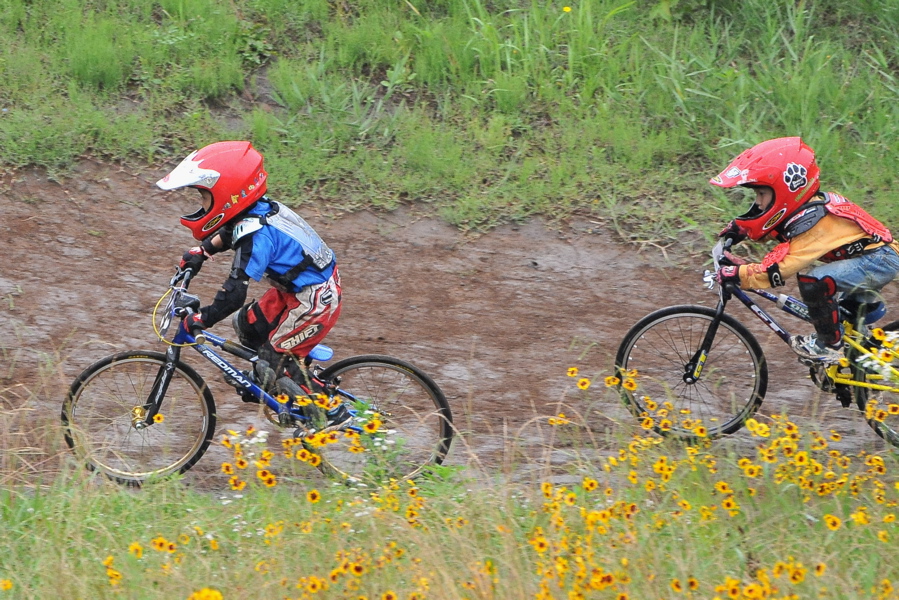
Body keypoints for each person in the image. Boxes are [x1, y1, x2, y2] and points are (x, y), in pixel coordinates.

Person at [156, 141, 349, 428]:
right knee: (246, 325)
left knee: (273, 357)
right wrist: (203, 252)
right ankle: (285, 381)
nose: (201, 204)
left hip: (315, 300)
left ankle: (330, 413)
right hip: (296, 292)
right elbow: (234, 230)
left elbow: (234, 293)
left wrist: (203, 318)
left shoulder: (257, 238)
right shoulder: (258, 211)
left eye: (204, 197)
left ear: (227, 195)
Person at [710, 136, 899, 363]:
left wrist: (740, 274)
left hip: (878, 261)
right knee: (845, 322)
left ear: (786, 190)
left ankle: (829, 346)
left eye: (762, 194)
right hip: (873, 257)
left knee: (815, 282)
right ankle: (858, 350)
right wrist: (740, 229)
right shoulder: (807, 207)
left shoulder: (813, 223)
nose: (758, 203)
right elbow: (780, 230)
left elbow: (781, 268)